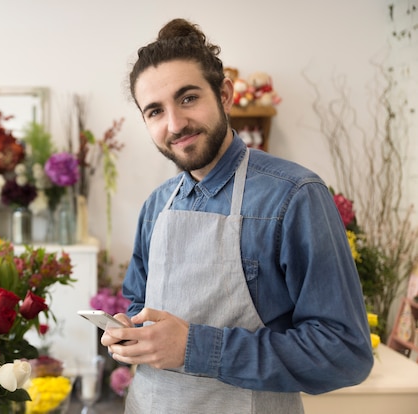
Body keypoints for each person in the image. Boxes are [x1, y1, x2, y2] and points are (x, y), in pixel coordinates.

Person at [101, 18, 374, 413]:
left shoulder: (294, 197)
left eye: (188, 98)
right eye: (155, 111)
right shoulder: (155, 206)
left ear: (224, 94)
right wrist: (126, 335)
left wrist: (194, 347)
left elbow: (345, 353)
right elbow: (136, 306)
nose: (175, 124)